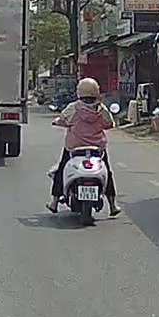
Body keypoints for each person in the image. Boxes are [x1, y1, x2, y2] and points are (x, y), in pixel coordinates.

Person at [47, 77, 119, 216]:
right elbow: (109, 124)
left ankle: (54, 202)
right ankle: (112, 205)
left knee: (61, 170)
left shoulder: (74, 108)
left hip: (75, 148)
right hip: (97, 149)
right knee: (108, 173)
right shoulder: (101, 109)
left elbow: (62, 120)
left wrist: (57, 122)